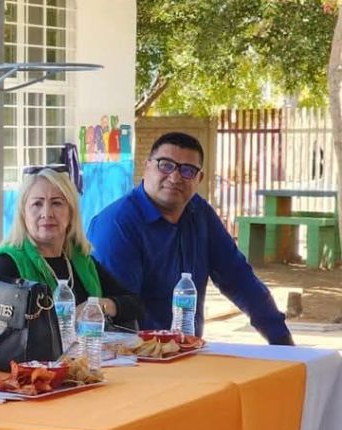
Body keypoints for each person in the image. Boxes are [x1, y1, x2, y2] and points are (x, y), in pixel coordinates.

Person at [88, 131, 293, 344]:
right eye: (165, 165)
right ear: (147, 166)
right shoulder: (116, 225)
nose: (175, 177)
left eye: (187, 170)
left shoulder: (199, 212)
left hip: (188, 350)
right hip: (134, 354)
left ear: (199, 179)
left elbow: (239, 278)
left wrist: (282, 341)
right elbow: (122, 311)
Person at [0, 168, 142, 331]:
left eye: (56, 203)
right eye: (37, 204)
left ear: (71, 212)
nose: (47, 213)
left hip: (88, 348)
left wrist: (99, 306)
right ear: (23, 213)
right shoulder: (5, 265)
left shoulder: (81, 262)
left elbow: (135, 304)